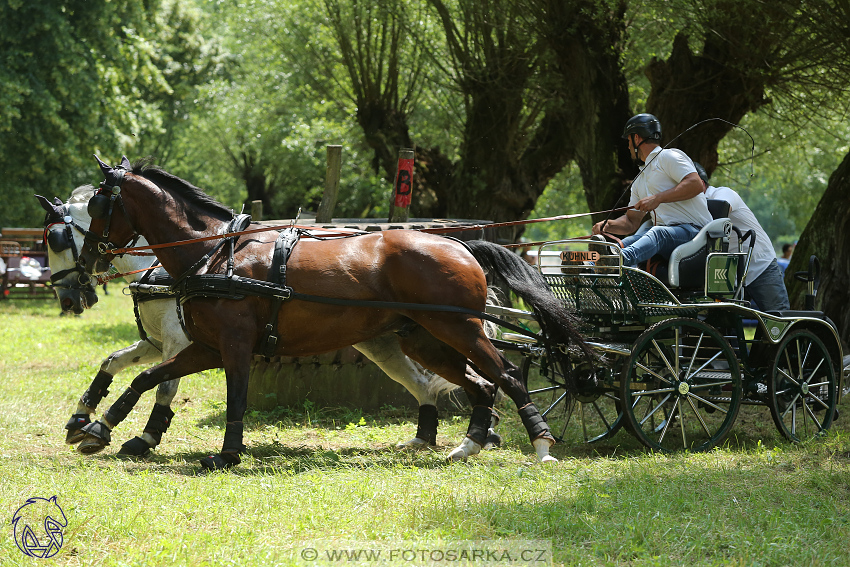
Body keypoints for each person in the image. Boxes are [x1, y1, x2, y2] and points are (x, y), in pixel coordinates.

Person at [592, 113, 712, 267]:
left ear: (636, 138)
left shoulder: (668, 156)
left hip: (697, 235)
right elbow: (631, 221)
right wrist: (609, 225)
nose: (628, 146)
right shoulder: (640, 180)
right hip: (668, 238)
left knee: (657, 233)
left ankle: (615, 262)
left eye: (628, 141)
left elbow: (695, 184)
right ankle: (588, 265)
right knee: (627, 242)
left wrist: (658, 198)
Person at [693, 162, 790, 312]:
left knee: (778, 320)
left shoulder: (722, 193)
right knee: (727, 326)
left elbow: (720, 211)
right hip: (731, 273)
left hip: (760, 265)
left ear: (700, 182)